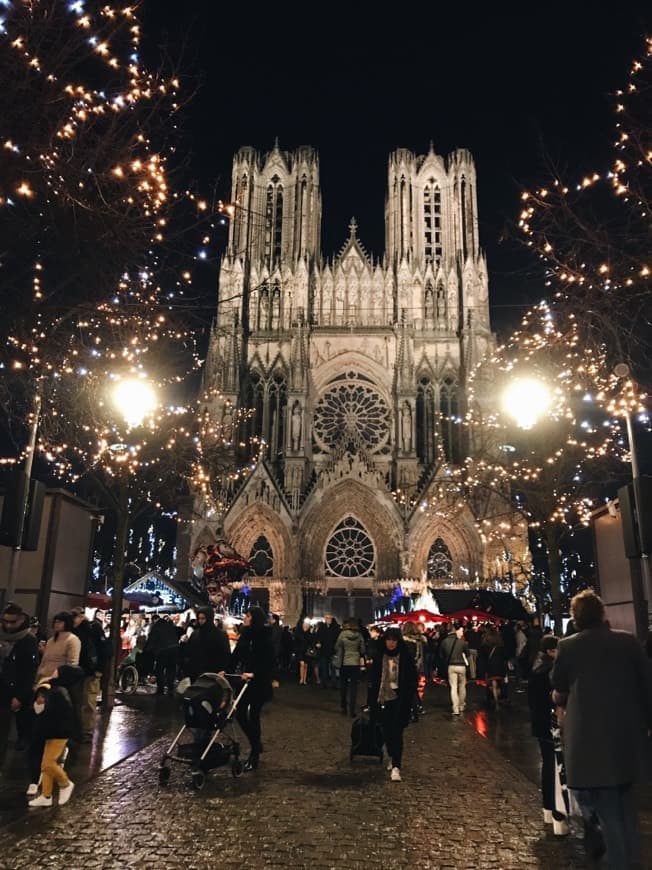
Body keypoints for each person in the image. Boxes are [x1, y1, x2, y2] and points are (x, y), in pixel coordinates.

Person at [551, 590, 652, 868]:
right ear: (602, 613)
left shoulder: (568, 646)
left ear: (576, 618)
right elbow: (646, 685)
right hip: (627, 740)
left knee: (608, 814)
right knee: (625, 811)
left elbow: (558, 687)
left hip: (590, 744)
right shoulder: (628, 642)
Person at [527, 635, 569, 836]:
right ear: (552, 651)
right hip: (552, 724)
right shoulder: (551, 671)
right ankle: (558, 816)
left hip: (539, 723)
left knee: (548, 765)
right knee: (557, 768)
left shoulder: (536, 667)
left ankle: (547, 809)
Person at [368, 627, 417, 782]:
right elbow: (373, 680)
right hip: (383, 698)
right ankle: (391, 754)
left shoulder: (406, 657)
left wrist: (408, 697)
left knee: (397, 733)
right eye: (388, 640)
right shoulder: (379, 656)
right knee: (386, 732)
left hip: (399, 699)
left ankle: (397, 765)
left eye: (394, 640)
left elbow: (412, 679)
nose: (391, 643)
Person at [230, 605, 274, 771]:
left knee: (254, 715)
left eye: (248, 616)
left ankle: (254, 754)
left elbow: (269, 662)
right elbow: (236, 656)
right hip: (244, 682)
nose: (245, 618)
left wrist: (254, 673)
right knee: (240, 713)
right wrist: (225, 670)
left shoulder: (264, 637)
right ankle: (255, 743)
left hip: (259, 682)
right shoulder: (245, 635)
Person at [27, 678, 76, 807]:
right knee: (45, 765)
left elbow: (44, 714)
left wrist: (39, 704)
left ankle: (65, 783)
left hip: (57, 734)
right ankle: (46, 795)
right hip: (52, 733)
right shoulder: (55, 692)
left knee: (48, 763)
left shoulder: (50, 692)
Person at [0, 604, 39, 764]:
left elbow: (28, 671)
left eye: (12, 622)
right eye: (5, 621)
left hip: (10, 692)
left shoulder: (28, 640)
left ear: (21, 620)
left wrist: (20, 696)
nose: (8, 625)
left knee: (2, 731)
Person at [71, 606, 107, 742]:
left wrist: (99, 670)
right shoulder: (72, 630)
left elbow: (104, 650)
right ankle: (77, 729)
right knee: (76, 701)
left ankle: (87, 731)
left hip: (90, 671)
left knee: (88, 701)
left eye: (76, 616)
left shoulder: (93, 628)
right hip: (75, 672)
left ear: (82, 616)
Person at [183, 606, 231, 681]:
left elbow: (225, 654)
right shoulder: (195, 634)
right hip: (196, 673)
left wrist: (224, 670)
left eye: (203, 618)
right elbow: (190, 652)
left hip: (213, 674)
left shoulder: (220, 634)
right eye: (199, 618)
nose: (200, 621)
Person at [334, 618, 366, 717]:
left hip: (344, 662)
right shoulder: (359, 635)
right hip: (355, 663)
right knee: (353, 688)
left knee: (343, 686)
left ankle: (343, 706)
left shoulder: (343, 634)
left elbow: (336, 646)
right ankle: (352, 711)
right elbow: (363, 649)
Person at [36, 613, 81, 681]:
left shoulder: (73, 640)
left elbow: (72, 664)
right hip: (43, 676)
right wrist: (37, 676)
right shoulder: (51, 640)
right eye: (55, 622)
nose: (56, 624)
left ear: (67, 623)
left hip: (58, 678)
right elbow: (44, 660)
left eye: (60, 622)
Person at [145, 614, 179, 695]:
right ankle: (170, 688)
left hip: (163, 651)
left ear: (154, 620)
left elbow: (151, 640)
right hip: (174, 650)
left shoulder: (156, 627)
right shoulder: (169, 626)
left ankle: (160, 689)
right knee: (171, 669)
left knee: (159, 669)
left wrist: (146, 650)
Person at [439, 623, 469, 716]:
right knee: (462, 686)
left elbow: (441, 655)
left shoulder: (444, 642)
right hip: (461, 666)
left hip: (451, 666)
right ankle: (462, 705)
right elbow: (467, 654)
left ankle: (455, 709)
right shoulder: (462, 642)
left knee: (453, 687)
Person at [315, 614, 339, 689]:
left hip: (332, 651)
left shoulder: (335, 628)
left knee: (333, 668)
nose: (328, 620)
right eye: (327, 618)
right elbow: (318, 637)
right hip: (324, 651)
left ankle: (333, 683)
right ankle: (324, 683)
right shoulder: (322, 628)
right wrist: (318, 643)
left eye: (329, 618)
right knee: (324, 668)